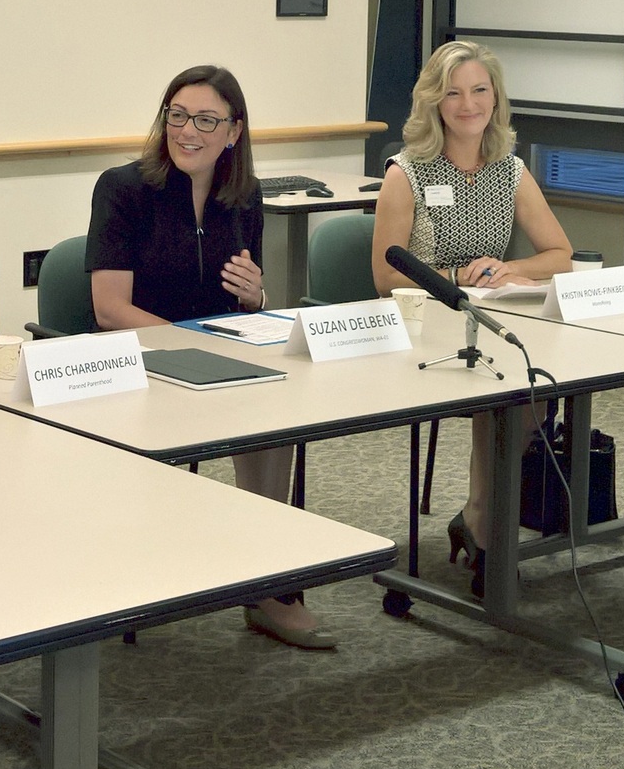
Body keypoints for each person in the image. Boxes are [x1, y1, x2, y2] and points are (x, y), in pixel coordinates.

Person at [86, 64, 331, 650]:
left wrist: (258, 295)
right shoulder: (123, 190)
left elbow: (248, 303)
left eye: (205, 120)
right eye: (177, 116)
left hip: (218, 361)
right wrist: (187, 350)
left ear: (234, 132)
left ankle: (266, 578)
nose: (187, 131)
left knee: (279, 410)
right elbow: (110, 310)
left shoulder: (242, 196)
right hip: (138, 365)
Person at [371, 40, 573, 594]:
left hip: (486, 318)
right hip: (422, 321)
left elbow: (560, 255)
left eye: (480, 90)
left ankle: (481, 514)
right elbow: (386, 276)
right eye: (454, 92)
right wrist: (455, 278)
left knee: (531, 381)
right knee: (500, 383)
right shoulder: (406, 172)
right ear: (434, 101)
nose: (468, 104)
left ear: (495, 98)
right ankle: (486, 522)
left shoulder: (508, 170)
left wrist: (508, 268)